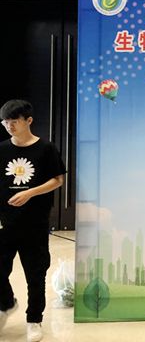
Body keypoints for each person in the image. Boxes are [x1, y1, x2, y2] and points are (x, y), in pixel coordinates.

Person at [0, 100, 65, 342]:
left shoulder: (46, 149)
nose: (9, 126)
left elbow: (58, 180)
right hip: (5, 223)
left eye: (14, 121)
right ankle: (6, 303)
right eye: (5, 122)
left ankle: (34, 320)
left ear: (28, 120)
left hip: (34, 223)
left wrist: (30, 193)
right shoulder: (2, 149)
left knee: (35, 275)